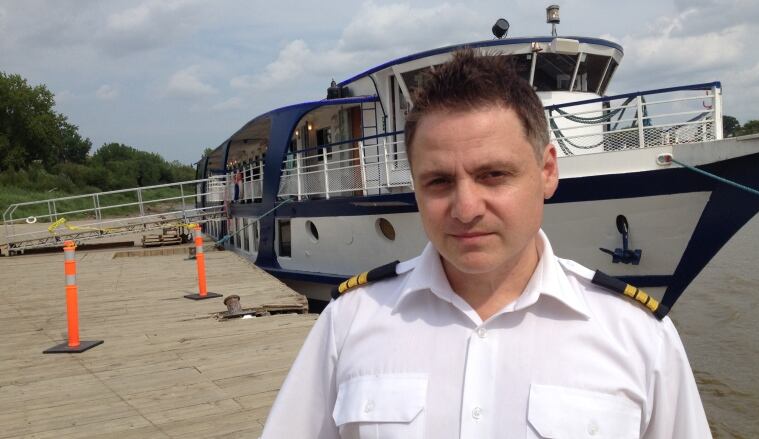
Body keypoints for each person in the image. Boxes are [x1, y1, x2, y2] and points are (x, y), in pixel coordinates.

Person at [259, 50, 711, 438]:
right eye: (438, 181)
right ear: (413, 186)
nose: (466, 208)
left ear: (547, 171)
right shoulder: (349, 324)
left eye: (493, 175)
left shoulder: (640, 339)